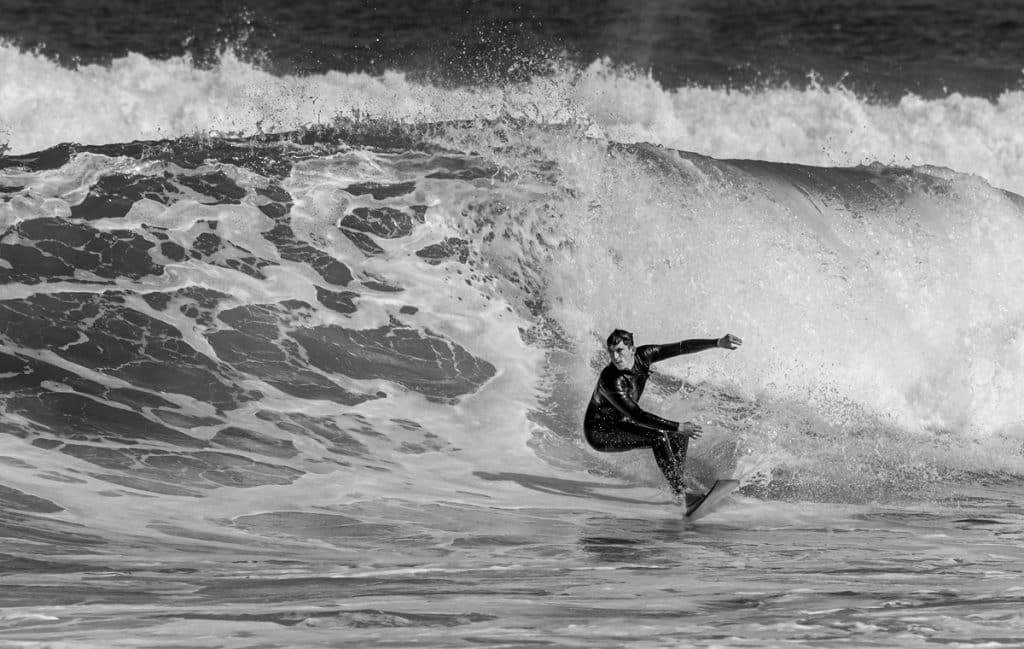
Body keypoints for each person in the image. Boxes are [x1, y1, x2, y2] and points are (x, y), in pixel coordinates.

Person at [584, 328, 742, 505]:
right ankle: (681, 493)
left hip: (622, 423)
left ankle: (679, 483)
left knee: (676, 435)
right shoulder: (611, 380)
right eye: (611, 352)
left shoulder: (644, 355)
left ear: (632, 350)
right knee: (659, 436)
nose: (615, 357)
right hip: (600, 432)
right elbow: (637, 415)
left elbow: (682, 347)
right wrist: (678, 426)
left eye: (619, 350)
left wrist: (716, 343)